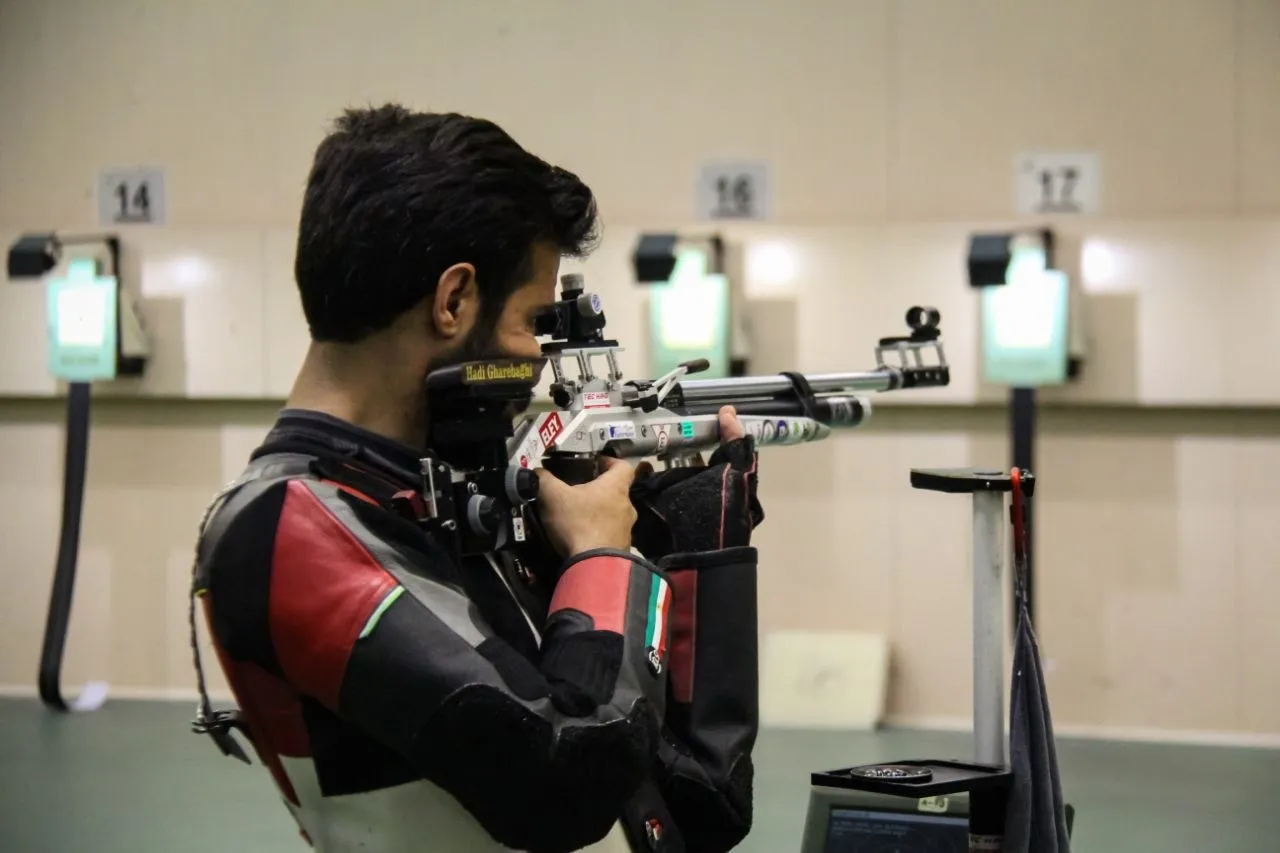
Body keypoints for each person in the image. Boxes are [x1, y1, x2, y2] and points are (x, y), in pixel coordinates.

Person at [190, 104, 764, 853]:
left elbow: (691, 800)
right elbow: (568, 778)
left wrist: (692, 551)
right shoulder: (286, 527)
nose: (536, 361)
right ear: (454, 301)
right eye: (533, 321)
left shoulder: (434, 492)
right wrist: (602, 557)